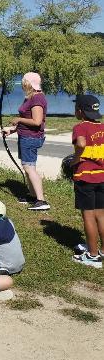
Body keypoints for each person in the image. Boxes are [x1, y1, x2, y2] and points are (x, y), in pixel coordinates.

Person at [3, 72, 49, 210]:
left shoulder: (37, 99)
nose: (22, 84)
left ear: (28, 84)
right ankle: (32, 195)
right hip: (25, 136)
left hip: (31, 138)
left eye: (24, 82)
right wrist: (13, 129)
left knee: (29, 168)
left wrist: (18, 119)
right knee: (28, 167)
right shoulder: (30, 97)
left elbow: (37, 122)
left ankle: (41, 201)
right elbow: (28, 119)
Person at [69, 94, 104, 268]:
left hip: (86, 178)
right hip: (102, 176)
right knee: (101, 215)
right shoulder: (102, 127)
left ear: (80, 111)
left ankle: (93, 256)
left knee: (88, 216)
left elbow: (81, 144)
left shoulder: (80, 127)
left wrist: (76, 159)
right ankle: (102, 250)